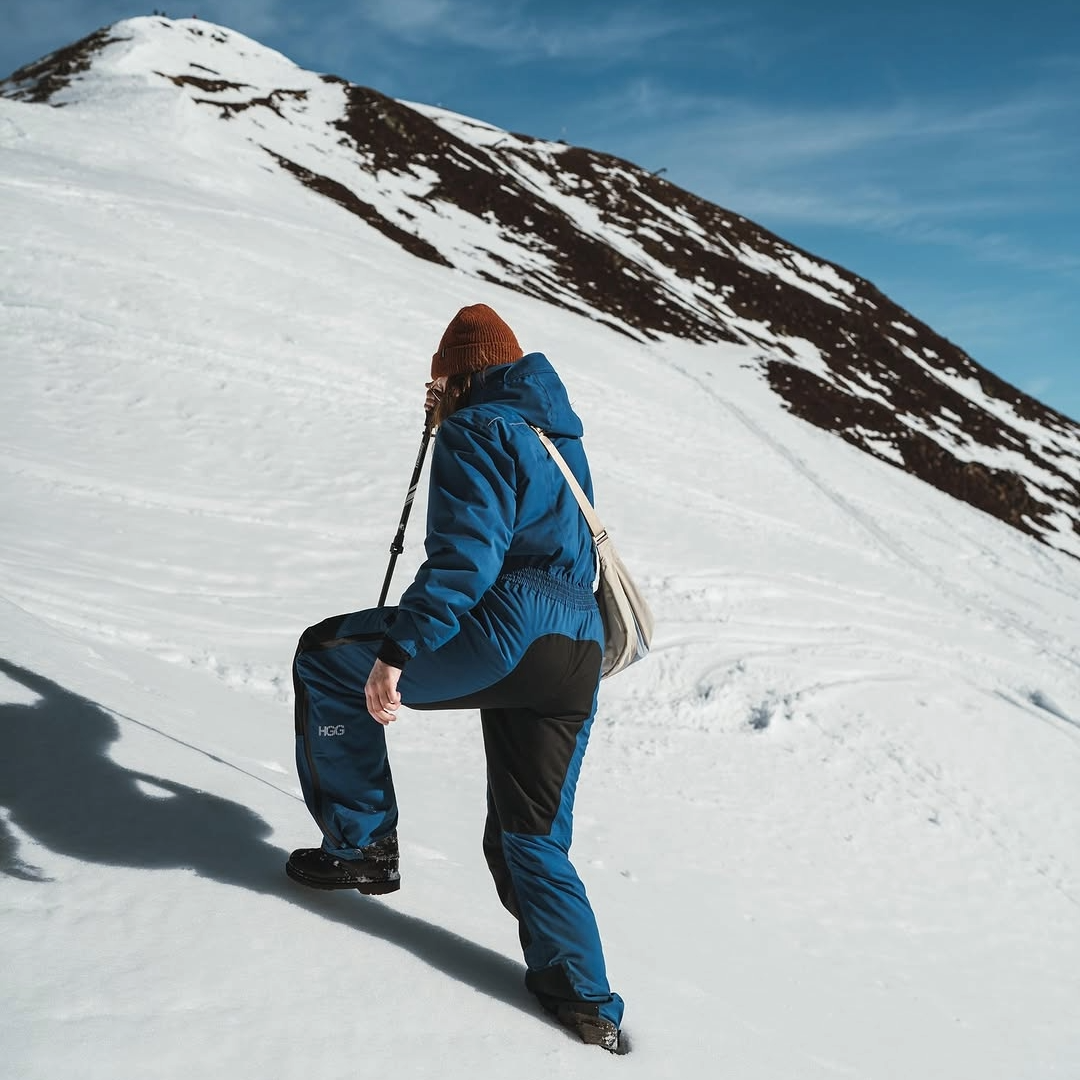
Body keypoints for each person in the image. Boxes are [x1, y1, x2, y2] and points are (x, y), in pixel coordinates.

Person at [287, 303, 624, 1051]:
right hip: (577, 653)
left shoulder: (478, 428)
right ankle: (586, 1001)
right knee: (527, 836)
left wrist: (399, 651)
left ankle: (362, 846)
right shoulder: (556, 438)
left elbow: (466, 559)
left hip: (510, 634)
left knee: (324, 658)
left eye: (442, 380)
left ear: (460, 375)